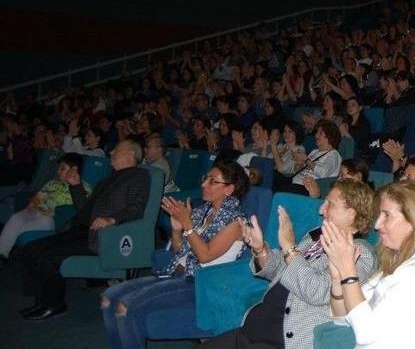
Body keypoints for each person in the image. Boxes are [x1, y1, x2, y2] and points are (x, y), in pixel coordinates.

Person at [201, 179, 377, 349]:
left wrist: (290, 248)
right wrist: (260, 249)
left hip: (283, 338)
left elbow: (318, 291)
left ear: (352, 213)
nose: (321, 209)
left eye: (329, 204)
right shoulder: (315, 236)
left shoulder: (360, 253)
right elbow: (283, 269)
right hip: (254, 328)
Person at [101, 161, 249, 349]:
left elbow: (205, 255)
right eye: (205, 179)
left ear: (229, 189)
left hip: (199, 285)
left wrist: (187, 225)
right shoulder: (204, 212)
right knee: (108, 297)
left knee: (125, 306)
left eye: (213, 181)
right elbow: (180, 251)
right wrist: (176, 229)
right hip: (177, 274)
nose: (203, 184)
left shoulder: (236, 222)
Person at [322, 180, 415, 349]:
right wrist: (337, 277)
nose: (377, 225)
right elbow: (341, 317)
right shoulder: (397, 262)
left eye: (387, 215)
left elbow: (366, 334)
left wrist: (348, 270)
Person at [20, 140, 151, 320]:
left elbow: (137, 208)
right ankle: (40, 299)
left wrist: (112, 219)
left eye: (116, 150)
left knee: (47, 257)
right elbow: (84, 209)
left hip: (103, 235)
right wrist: (76, 185)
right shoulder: (109, 178)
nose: (111, 151)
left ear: (130, 155)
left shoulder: (138, 175)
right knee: (31, 248)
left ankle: (53, 304)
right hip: (80, 230)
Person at [0, 153, 90, 263]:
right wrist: (31, 206)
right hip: (35, 212)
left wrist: (56, 213)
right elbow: (38, 197)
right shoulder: (53, 182)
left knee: (33, 222)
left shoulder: (83, 188)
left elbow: (82, 209)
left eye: (62, 168)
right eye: (59, 168)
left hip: (50, 219)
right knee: (16, 218)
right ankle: (2, 254)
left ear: (74, 170)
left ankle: (12, 240)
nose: (58, 171)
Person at [288, 121, 343, 197]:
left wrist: (306, 159)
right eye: (317, 133)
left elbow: (323, 173)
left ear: (329, 137)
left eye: (320, 133)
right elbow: (300, 170)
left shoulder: (334, 154)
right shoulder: (315, 151)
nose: (316, 135)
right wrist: (299, 163)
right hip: (295, 183)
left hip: (308, 189)